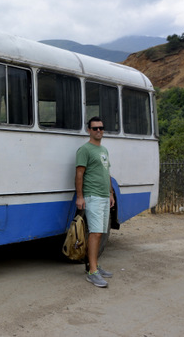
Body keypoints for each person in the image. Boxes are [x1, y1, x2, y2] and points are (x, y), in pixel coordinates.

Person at [75, 116, 115, 288]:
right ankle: (92, 272)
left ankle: (95, 265)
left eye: (101, 128)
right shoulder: (84, 150)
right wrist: (80, 196)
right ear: (89, 130)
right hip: (93, 196)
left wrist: (111, 194)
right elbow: (79, 174)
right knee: (96, 233)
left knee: (102, 233)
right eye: (95, 128)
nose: (99, 131)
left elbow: (107, 174)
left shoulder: (104, 150)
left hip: (105, 196)